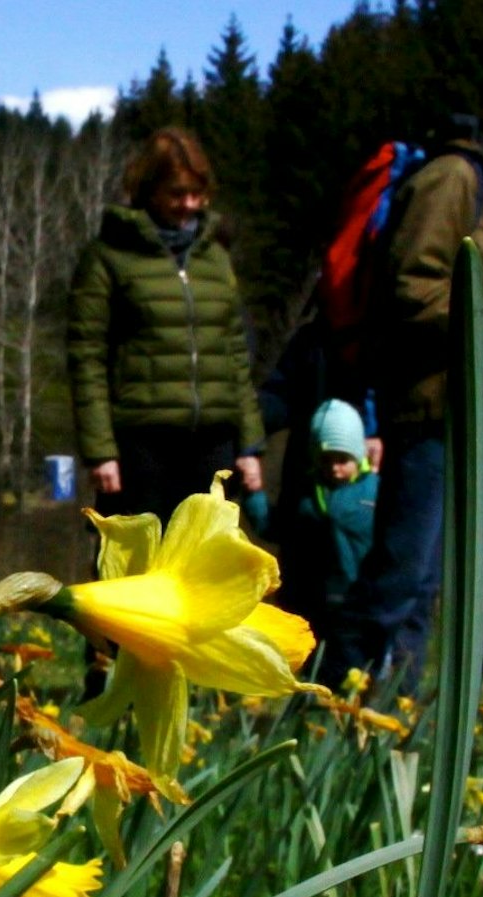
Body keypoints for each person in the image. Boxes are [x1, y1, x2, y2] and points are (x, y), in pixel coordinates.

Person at [324, 66, 483, 714]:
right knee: (401, 580)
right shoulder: (453, 179)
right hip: (434, 411)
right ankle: (326, 710)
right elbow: (414, 289)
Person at [68, 127, 262, 525]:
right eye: (176, 193)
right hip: (141, 445)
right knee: (139, 567)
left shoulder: (216, 257)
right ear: (149, 189)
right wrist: (100, 450)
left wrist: (251, 444)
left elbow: (235, 354)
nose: (188, 204)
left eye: (197, 193)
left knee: (211, 560)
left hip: (214, 442)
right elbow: (86, 356)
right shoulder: (107, 257)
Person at [246, 399, 379, 629]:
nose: (334, 468)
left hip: (359, 597)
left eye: (342, 460)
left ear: (359, 456)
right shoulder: (304, 493)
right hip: (310, 599)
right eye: (326, 460)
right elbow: (276, 527)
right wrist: (254, 495)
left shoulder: (375, 490)